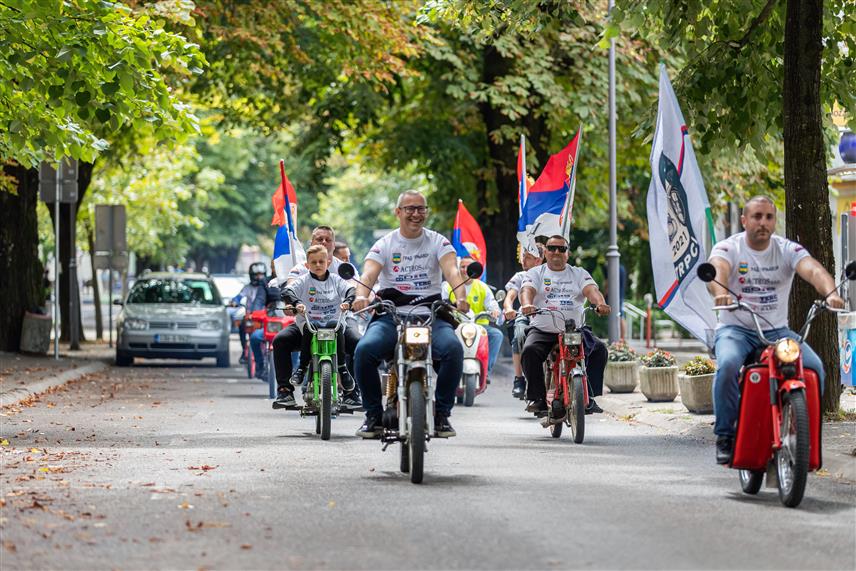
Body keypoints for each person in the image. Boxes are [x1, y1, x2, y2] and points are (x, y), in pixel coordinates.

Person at [705, 195, 843, 464]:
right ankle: (724, 436)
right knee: (729, 364)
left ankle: (806, 436)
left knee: (815, 367)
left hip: (778, 332)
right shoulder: (730, 247)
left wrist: (830, 293)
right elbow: (717, 269)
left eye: (768, 217)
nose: (763, 223)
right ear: (744, 220)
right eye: (757, 217)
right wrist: (720, 292)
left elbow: (813, 269)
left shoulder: (785, 249)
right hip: (736, 329)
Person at [352, 190, 469, 438]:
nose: (416, 214)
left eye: (421, 209)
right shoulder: (384, 244)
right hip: (390, 315)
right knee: (364, 351)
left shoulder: (439, 242)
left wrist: (461, 297)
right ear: (398, 212)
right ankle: (373, 415)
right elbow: (368, 275)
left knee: (454, 349)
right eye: (410, 209)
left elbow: (452, 271)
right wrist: (361, 296)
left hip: (430, 315)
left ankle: (442, 415)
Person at [520, 235, 611, 416]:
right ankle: (537, 398)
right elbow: (527, 290)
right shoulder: (536, 273)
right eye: (552, 248)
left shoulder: (578, 273)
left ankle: (589, 396)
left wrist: (600, 304)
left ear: (567, 254)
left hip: (574, 330)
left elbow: (592, 291)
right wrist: (527, 305)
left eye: (561, 249)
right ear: (545, 252)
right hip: (543, 329)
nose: (556, 252)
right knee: (529, 351)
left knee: (600, 349)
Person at [271, 245, 362, 410]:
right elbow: (287, 292)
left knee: (352, 337)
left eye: (321, 261)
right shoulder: (303, 280)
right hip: (309, 324)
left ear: (328, 262)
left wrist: (348, 302)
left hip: (333, 324)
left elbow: (351, 290)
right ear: (307, 265)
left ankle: (343, 372)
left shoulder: (336, 279)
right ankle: (297, 373)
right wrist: (297, 303)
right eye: (314, 262)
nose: (318, 265)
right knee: (280, 340)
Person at [443, 256, 504, 376]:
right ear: (458, 268)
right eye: (462, 267)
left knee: (497, 335)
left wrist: (494, 311)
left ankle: (485, 371)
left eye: (469, 267)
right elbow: (442, 302)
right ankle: (446, 371)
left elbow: (492, 304)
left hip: (479, 327)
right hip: (455, 326)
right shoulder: (448, 285)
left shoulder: (482, 287)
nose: (465, 270)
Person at [502, 243, 545, 399]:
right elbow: (510, 297)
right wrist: (508, 309)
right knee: (519, 335)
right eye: (523, 257)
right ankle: (519, 379)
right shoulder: (520, 276)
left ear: (539, 260)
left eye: (529, 257)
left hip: (548, 315)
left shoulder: (549, 274)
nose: (524, 260)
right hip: (526, 316)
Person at [232, 262, 269, 364]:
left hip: (265, 316)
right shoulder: (247, 288)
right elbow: (239, 297)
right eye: (256, 275)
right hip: (251, 316)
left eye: (261, 275)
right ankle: (245, 349)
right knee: (242, 326)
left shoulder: (268, 286)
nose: (259, 277)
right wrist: (234, 302)